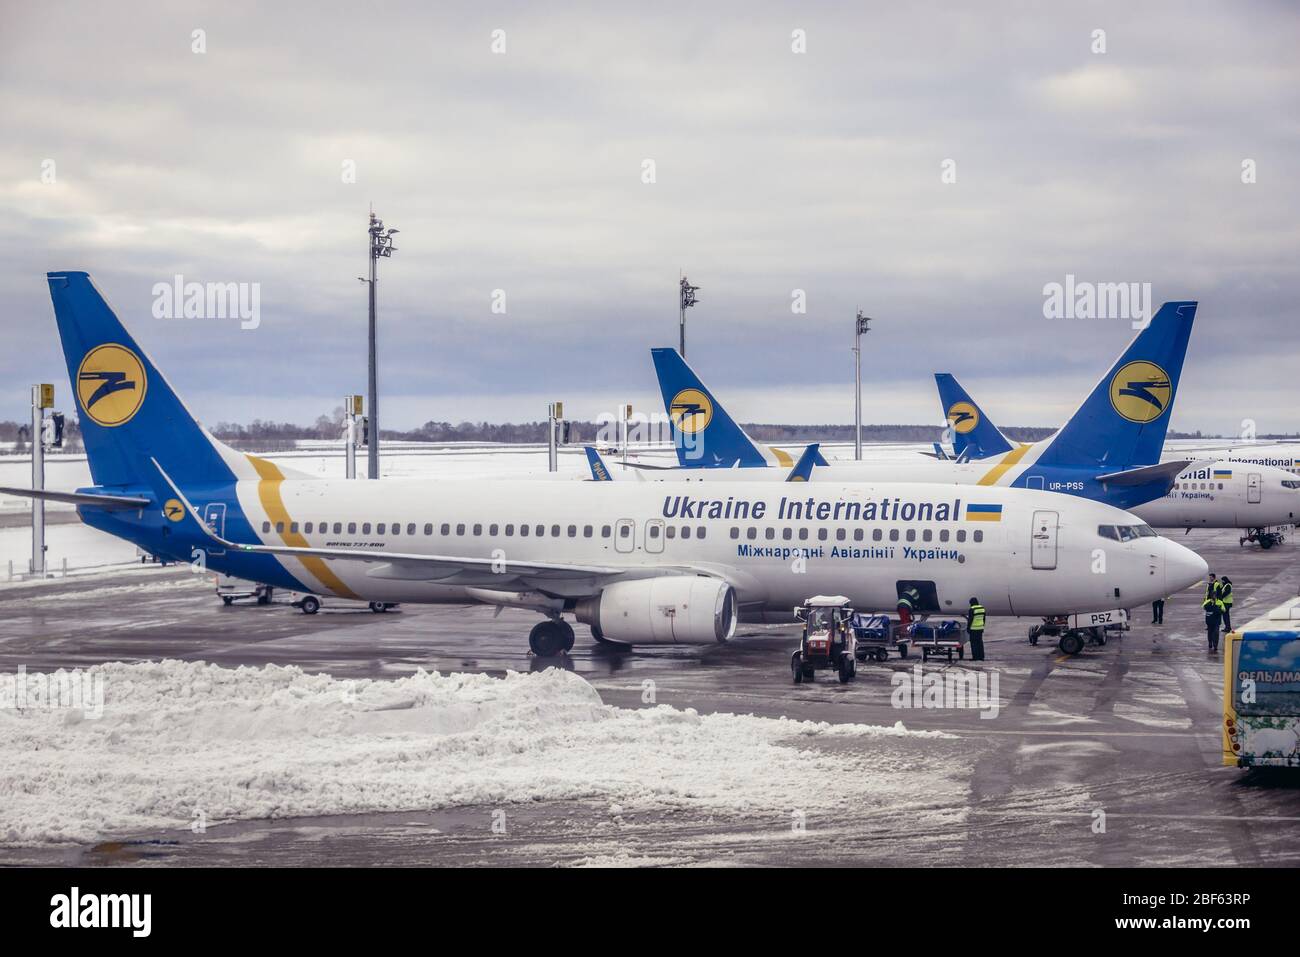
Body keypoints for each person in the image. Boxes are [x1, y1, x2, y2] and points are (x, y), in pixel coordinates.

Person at [1202, 579, 1225, 653]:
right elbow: (1204, 607)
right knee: (1210, 632)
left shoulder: (1220, 602)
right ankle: (1210, 643)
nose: (1214, 597)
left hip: (1217, 621)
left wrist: (1218, 610)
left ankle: (1215, 645)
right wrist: (1212, 605)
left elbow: (1223, 610)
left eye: (1215, 595)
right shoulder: (1208, 602)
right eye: (1213, 596)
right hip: (1209, 620)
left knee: (1216, 633)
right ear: (1211, 596)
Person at [966, 596, 986, 661]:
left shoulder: (972, 609)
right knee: (980, 643)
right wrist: (982, 626)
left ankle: (975, 657)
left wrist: (968, 628)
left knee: (974, 644)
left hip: (973, 629)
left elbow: (970, 620)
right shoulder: (982, 608)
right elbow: (984, 619)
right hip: (980, 628)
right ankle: (981, 657)